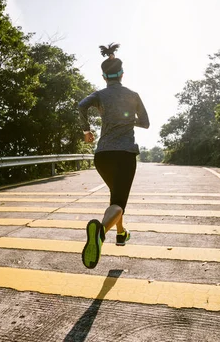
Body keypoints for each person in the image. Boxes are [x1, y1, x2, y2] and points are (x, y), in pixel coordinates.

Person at [79, 43, 150, 269]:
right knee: (119, 202)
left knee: (116, 197)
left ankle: (121, 234)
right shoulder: (133, 95)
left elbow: (81, 106)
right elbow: (146, 123)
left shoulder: (99, 95)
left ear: (104, 76)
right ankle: (100, 233)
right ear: (122, 74)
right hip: (124, 154)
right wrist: (129, 121)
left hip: (102, 156)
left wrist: (86, 130)